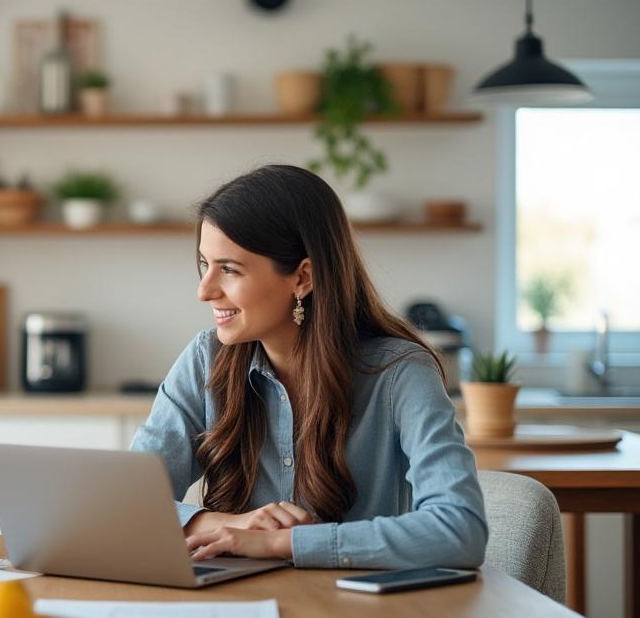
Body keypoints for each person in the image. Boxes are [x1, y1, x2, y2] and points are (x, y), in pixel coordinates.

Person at [132, 164, 486, 569]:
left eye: (229, 269)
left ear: (303, 278)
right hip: (234, 608)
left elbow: (461, 530)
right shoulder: (205, 360)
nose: (204, 290)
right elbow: (125, 501)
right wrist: (226, 524)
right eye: (204, 265)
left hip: (362, 616)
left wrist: (285, 543)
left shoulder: (401, 374)